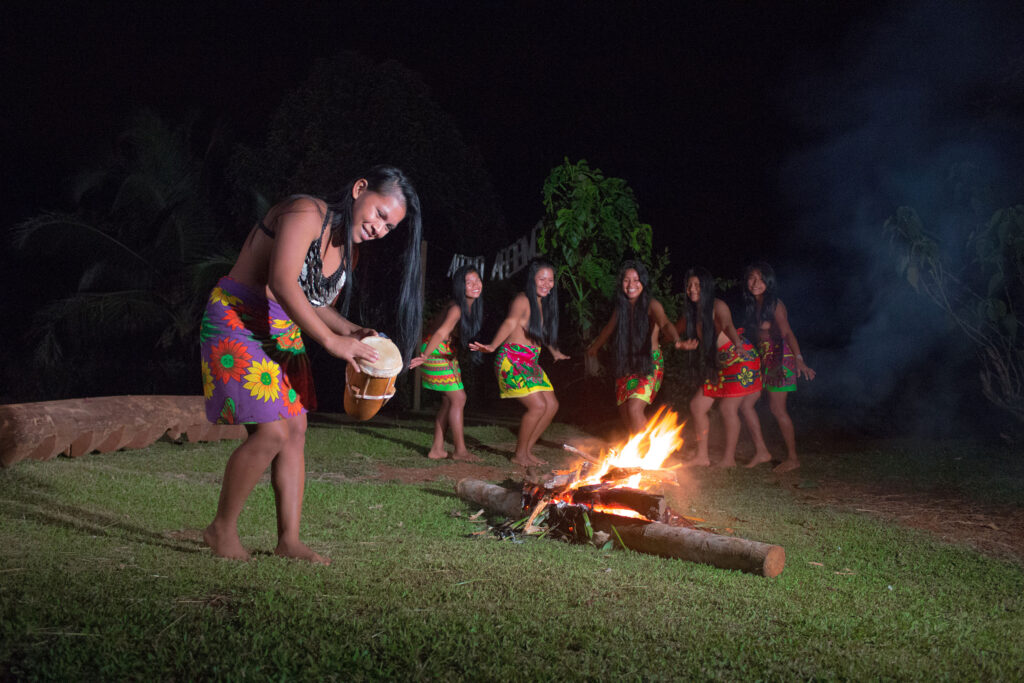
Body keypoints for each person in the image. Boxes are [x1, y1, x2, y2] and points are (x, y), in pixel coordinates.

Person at [200, 166, 422, 563]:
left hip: (280, 325)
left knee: (296, 429)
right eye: (380, 215)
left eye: (390, 227)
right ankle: (221, 529)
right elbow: (283, 282)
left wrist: (355, 332)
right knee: (271, 433)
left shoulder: (347, 253)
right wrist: (331, 342)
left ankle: (289, 541)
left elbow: (319, 306)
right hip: (238, 316)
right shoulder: (305, 213)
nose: (380, 229)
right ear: (359, 189)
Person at [470, 258, 569, 466]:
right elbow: (510, 322)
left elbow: (539, 333)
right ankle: (519, 455)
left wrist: (554, 351)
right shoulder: (522, 300)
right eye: (541, 278)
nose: (546, 283)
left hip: (530, 361)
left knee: (552, 405)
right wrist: (493, 346)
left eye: (550, 280)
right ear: (531, 280)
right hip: (511, 359)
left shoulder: (542, 304)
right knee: (538, 406)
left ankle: (526, 451)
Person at [586, 260, 698, 435]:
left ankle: (647, 455)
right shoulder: (621, 308)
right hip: (627, 365)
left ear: (644, 282)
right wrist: (593, 349)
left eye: (636, 280)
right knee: (625, 414)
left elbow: (666, 324)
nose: (631, 285)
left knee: (634, 409)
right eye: (626, 280)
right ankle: (635, 451)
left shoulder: (652, 305)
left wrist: (677, 341)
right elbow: (608, 329)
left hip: (649, 363)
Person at [676, 267, 772, 468]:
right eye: (689, 285)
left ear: (707, 287)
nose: (692, 289)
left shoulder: (717, 305)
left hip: (741, 359)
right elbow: (672, 331)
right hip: (719, 366)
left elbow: (728, 325)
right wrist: (670, 342)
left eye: (698, 285)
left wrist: (737, 344)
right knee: (697, 406)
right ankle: (703, 457)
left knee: (728, 408)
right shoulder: (692, 315)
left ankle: (728, 460)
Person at [743, 262, 816, 473]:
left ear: (769, 282)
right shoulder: (756, 305)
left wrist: (799, 359)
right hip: (766, 359)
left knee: (777, 409)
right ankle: (762, 451)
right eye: (751, 278)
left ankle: (793, 458)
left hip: (781, 360)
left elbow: (787, 333)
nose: (755, 283)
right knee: (752, 404)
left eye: (760, 279)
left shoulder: (775, 304)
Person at [408, 265, 484, 461]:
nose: (476, 285)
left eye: (477, 280)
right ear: (461, 287)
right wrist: (425, 355)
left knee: (450, 401)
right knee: (459, 399)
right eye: (469, 282)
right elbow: (441, 332)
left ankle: (437, 449)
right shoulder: (457, 308)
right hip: (435, 352)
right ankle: (460, 451)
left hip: (445, 353)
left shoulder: (469, 306)